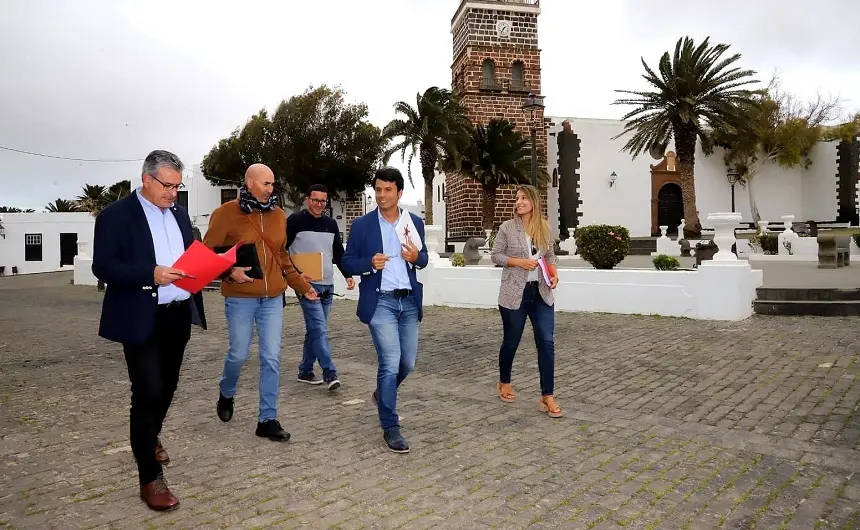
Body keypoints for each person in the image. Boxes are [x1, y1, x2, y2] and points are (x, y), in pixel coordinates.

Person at [92, 149, 207, 511]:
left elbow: (190, 254)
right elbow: (104, 267)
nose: (174, 193)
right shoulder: (115, 216)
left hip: (177, 316)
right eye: (167, 186)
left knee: (167, 387)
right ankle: (149, 477)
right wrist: (151, 274)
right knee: (147, 391)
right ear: (146, 179)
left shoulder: (179, 214)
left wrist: (219, 268)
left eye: (178, 186)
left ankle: (149, 435)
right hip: (141, 317)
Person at [203, 163, 316, 442]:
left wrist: (302, 286)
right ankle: (227, 392)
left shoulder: (278, 215)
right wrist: (229, 272)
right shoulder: (225, 214)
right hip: (240, 298)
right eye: (266, 184)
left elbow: (282, 257)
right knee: (239, 354)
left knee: (272, 357)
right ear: (250, 183)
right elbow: (206, 255)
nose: (271, 189)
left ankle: (267, 419)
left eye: (272, 183)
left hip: (273, 298)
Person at [342, 167, 428, 453]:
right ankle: (390, 426)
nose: (381, 195)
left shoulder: (413, 221)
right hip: (381, 302)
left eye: (387, 190)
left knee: (408, 364)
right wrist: (369, 263)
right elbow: (347, 261)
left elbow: (424, 258)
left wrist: (416, 256)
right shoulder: (363, 225)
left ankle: (382, 394)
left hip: (409, 301)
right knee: (390, 361)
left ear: (399, 192)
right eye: (378, 190)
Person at [490, 184, 563, 418]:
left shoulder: (544, 228)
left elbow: (549, 256)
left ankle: (547, 395)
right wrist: (519, 262)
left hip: (541, 293)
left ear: (533, 202)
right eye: (517, 198)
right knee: (511, 341)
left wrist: (554, 274)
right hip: (514, 294)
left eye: (524, 198)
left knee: (547, 343)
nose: (519, 202)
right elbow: (495, 255)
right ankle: (504, 381)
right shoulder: (507, 228)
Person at [286, 184, 356, 391]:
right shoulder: (294, 221)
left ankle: (305, 371)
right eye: (315, 200)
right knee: (319, 329)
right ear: (307, 199)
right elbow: (282, 251)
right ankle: (329, 372)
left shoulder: (331, 224)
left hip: (328, 285)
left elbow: (338, 253)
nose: (318, 204)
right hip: (307, 285)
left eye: (322, 201)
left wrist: (348, 275)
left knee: (315, 331)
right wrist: (296, 277)